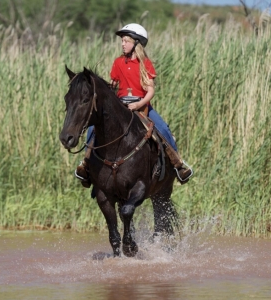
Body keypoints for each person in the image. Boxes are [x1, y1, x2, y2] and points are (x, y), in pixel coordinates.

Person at [75, 23, 193, 187]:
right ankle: (86, 164)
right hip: (120, 104)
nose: (122, 44)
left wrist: (139, 104)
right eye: (122, 41)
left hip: (142, 105)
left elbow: (150, 91)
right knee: (92, 128)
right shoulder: (118, 62)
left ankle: (178, 165)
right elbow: (113, 85)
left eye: (126, 41)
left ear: (137, 43)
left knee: (163, 129)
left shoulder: (145, 63)